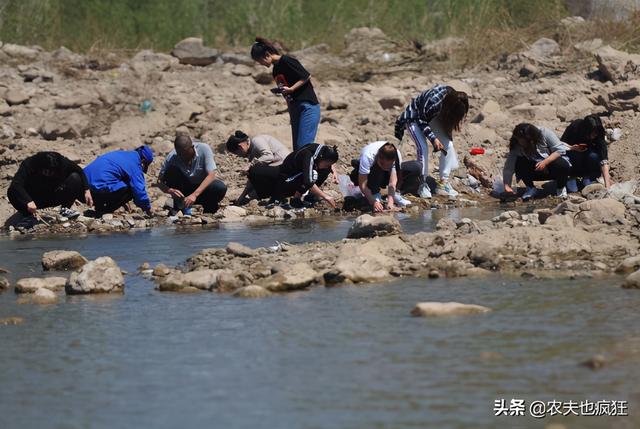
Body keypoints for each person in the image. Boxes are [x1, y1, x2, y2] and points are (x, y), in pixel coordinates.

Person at [395, 84, 469, 198]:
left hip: (432, 117)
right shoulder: (433, 102)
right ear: (449, 107)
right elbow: (421, 121)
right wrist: (433, 139)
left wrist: (443, 137)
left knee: (448, 145)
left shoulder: (452, 97)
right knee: (423, 147)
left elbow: (446, 121)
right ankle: (422, 183)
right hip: (414, 117)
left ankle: (443, 183)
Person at [251, 37, 320, 151]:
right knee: (297, 149)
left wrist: (292, 89)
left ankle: (318, 165)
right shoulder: (275, 70)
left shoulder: (287, 61)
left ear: (267, 54)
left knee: (304, 146)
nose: (261, 64)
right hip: (294, 107)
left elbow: (306, 76)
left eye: (260, 61)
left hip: (307, 106)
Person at [7, 152, 92, 226]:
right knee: (11, 191)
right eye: (46, 172)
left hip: (53, 196)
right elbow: (16, 184)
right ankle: (28, 216)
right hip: (33, 200)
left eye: (52, 172)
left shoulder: (62, 162)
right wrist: (28, 200)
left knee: (75, 177)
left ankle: (65, 210)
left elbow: (79, 170)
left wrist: (86, 190)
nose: (48, 174)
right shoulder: (30, 163)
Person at [248, 143, 338, 209]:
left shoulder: (321, 150)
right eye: (327, 164)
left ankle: (309, 197)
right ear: (322, 158)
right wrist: (326, 196)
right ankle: (295, 199)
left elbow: (329, 162)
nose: (328, 166)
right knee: (313, 175)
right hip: (285, 179)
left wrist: (334, 172)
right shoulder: (308, 156)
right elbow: (308, 181)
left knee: (325, 170)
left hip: (295, 174)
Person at [158, 135, 227, 214]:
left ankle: (208, 207)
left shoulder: (204, 149)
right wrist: (169, 190)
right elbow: (159, 181)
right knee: (171, 171)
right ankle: (180, 206)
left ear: (192, 147)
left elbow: (211, 175)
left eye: (186, 154)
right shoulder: (172, 156)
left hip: (202, 189)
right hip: (184, 191)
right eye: (180, 155)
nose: (183, 157)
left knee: (219, 187)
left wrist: (194, 195)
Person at [502, 123, 571, 200]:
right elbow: (509, 167)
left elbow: (560, 150)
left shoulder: (544, 133)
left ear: (530, 139)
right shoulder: (516, 144)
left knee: (562, 164)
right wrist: (507, 185)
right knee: (519, 161)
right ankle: (530, 188)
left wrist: (546, 162)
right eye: (518, 140)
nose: (520, 143)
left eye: (522, 141)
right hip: (535, 171)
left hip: (552, 169)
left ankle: (560, 188)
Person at [84, 146, 154, 215]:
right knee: (131, 190)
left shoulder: (120, 153)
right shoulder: (135, 164)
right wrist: (147, 209)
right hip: (94, 193)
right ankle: (103, 212)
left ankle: (100, 207)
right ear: (143, 161)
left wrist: (123, 202)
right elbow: (139, 192)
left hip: (83, 187)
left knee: (111, 180)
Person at [226, 130, 290, 205]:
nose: (238, 156)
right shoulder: (252, 153)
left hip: (287, 168)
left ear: (241, 146)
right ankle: (271, 194)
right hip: (279, 171)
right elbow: (251, 179)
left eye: (236, 153)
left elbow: (269, 156)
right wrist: (242, 196)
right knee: (253, 172)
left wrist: (250, 165)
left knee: (254, 170)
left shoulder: (256, 140)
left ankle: (270, 194)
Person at [349, 141, 411, 212]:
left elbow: (392, 183)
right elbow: (362, 184)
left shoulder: (397, 156)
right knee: (378, 171)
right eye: (382, 164)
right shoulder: (368, 156)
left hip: (384, 175)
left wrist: (390, 203)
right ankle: (375, 193)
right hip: (369, 173)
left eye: (388, 165)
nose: (385, 167)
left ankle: (394, 196)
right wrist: (374, 201)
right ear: (378, 157)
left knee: (409, 170)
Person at [561, 114, 612, 190]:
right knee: (575, 155)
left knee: (594, 156)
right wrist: (572, 148)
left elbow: (604, 159)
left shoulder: (599, 134)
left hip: (588, 156)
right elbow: (560, 144)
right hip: (572, 154)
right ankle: (572, 177)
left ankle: (588, 177)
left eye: (596, 133)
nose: (594, 135)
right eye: (593, 133)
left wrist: (607, 186)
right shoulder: (575, 127)